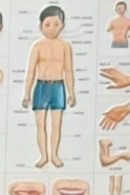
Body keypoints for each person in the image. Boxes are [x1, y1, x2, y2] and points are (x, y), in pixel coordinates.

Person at [23, 6, 77, 169]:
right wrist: (26, 93)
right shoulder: (37, 46)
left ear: (62, 25)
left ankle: (54, 155)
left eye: (56, 24)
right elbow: (30, 71)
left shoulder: (65, 46)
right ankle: (43, 156)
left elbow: (68, 70)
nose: (52, 28)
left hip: (58, 87)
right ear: (40, 26)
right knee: (40, 124)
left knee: (56, 124)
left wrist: (71, 92)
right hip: (41, 86)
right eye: (47, 24)